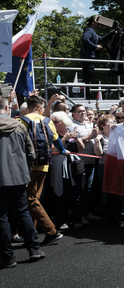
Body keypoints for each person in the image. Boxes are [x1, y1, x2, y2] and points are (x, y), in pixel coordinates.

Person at [0, 96, 45, 268]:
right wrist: (26, 173)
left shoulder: (19, 124)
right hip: (18, 176)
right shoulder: (18, 125)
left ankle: (7, 256)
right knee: (22, 212)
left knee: (1, 217)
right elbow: (31, 153)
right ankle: (34, 249)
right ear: (6, 109)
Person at [18, 95, 65, 246]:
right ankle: (31, 235)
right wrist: (63, 150)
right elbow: (56, 139)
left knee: (30, 200)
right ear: (38, 107)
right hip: (44, 165)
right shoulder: (48, 121)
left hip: (28, 166)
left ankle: (51, 232)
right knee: (35, 200)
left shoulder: (21, 121)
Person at [79, 16, 114, 84]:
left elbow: (101, 39)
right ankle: (87, 94)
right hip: (88, 58)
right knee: (88, 77)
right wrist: (95, 46)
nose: (99, 24)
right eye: (97, 23)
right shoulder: (89, 30)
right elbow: (85, 39)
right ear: (93, 22)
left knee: (89, 76)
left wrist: (111, 33)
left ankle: (87, 93)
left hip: (90, 58)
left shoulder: (93, 32)